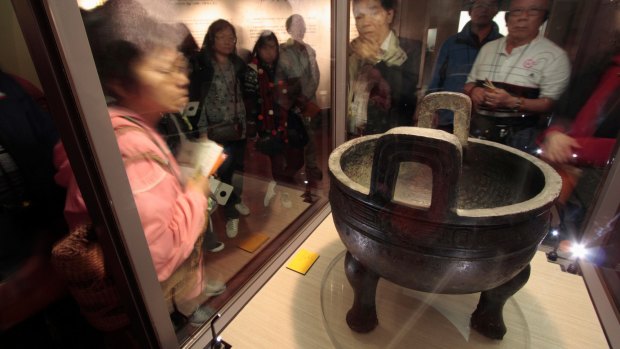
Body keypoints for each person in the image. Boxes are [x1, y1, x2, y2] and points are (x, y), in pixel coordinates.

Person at [54, 1, 224, 325]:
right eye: (163, 70)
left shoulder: (123, 127)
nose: (181, 79)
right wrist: (197, 192)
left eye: (179, 66)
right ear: (119, 82)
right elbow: (158, 259)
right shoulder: (129, 149)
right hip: (159, 309)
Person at [464, 0, 571, 154]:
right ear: (507, 18)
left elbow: (550, 104)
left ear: (543, 18)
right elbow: (469, 83)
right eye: (517, 12)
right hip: (478, 129)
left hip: (521, 136)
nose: (523, 17)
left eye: (532, 11)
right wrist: (474, 91)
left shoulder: (554, 56)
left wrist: (513, 102)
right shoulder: (488, 48)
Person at [540, 49, 620, 241]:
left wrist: (574, 148)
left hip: (603, 185)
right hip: (561, 167)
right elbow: (567, 108)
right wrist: (554, 133)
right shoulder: (606, 64)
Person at [189, 19, 249, 239]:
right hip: (215, 130)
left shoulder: (238, 65)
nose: (227, 41)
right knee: (222, 174)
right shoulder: (203, 66)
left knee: (237, 170)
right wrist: (203, 131)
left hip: (237, 128)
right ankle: (230, 211)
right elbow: (199, 100)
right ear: (211, 38)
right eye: (221, 36)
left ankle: (235, 200)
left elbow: (243, 97)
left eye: (231, 37)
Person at [244, 31, 308, 208]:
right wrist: (253, 128)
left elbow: (294, 89)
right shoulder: (252, 71)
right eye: (265, 48)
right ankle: (284, 189)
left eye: (273, 47)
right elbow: (249, 101)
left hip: (287, 118)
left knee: (297, 157)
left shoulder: (282, 66)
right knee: (277, 160)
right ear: (259, 48)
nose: (270, 52)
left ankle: (281, 184)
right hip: (266, 122)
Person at [348, 0, 422, 137]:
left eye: (373, 12)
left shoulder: (411, 49)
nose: (365, 23)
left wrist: (375, 64)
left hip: (393, 138)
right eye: (359, 16)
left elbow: (404, 95)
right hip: (357, 134)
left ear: (389, 14)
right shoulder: (352, 55)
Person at [428, 0, 502, 132]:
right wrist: (431, 108)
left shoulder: (501, 45)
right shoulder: (451, 43)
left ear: (495, 11)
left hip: (486, 119)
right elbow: (437, 78)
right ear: (470, 11)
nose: (483, 10)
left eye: (489, 6)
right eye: (479, 6)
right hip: (449, 114)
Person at [279, 14, 323, 181]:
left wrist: (305, 96)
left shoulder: (310, 50)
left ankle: (311, 166)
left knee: (311, 135)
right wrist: (292, 97)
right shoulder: (282, 51)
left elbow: (315, 75)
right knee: (291, 134)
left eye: (302, 25)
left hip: (308, 101)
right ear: (288, 29)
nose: (300, 29)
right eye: (296, 26)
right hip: (290, 102)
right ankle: (290, 166)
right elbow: (281, 76)